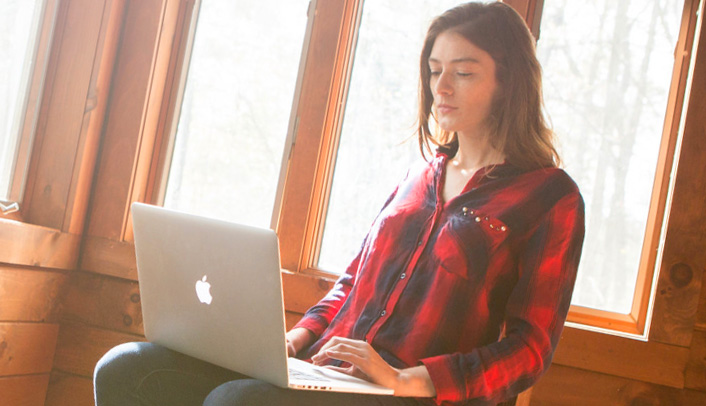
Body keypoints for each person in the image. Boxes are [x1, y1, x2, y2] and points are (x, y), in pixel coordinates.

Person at [93, 2, 584, 405]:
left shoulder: (548, 196)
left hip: (413, 396)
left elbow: (529, 350)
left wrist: (408, 378)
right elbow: (352, 283)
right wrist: (296, 339)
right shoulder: (420, 174)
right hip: (328, 375)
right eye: (435, 71)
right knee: (129, 368)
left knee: (237, 402)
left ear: (509, 82)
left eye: (464, 73)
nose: (441, 88)